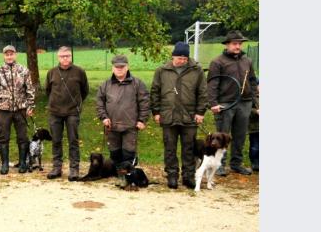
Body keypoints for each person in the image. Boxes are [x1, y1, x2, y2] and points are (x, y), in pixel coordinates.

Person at [150, 42, 208, 189]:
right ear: (173, 56)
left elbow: (203, 92)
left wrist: (200, 112)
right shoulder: (162, 71)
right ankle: (172, 176)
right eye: (179, 58)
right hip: (168, 116)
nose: (182, 61)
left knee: (188, 148)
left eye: (184, 58)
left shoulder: (197, 71)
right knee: (170, 148)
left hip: (189, 116)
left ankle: (188, 177)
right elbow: (155, 92)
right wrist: (156, 112)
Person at [207, 30, 259, 175]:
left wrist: (256, 103)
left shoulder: (247, 61)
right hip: (225, 103)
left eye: (240, 44)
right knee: (222, 136)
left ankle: (236, 163)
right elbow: (212, 84)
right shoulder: (218, 62)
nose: (238, 46)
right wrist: (213, 103)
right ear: (227, 45)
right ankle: (219, 165)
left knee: (240, 135)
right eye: (235, 44)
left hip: (245, 103)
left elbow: (253, 82)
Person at [96, 55, 150, 183]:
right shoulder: (105, 85)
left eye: (122, 67)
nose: (119, 69)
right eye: (117, 67)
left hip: (130, 126)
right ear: (112, 68)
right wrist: (103, 117)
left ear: (127, 67)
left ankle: (128, 178)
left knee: (128, 154)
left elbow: (145, 103)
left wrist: (142, 120)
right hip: (111, 126)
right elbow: (99, 103)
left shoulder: (137, 83)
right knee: (115, 154)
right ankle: (118, 176)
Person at [0, 45, 35, 174]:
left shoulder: (23, 70)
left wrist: (30, 106)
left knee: (22, 137)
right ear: (4, 56)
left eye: (11, 54)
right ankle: (4, 164)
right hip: (3, 109)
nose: (9, 56)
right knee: (3, 137)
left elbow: (30, 89)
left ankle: (23, 163)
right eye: (7, 54)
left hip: (21, 109)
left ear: (16, 55)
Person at [44, 46, 89, 181]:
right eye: (62, 56)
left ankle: (74, 169)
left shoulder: (79, 72)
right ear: (58, 57)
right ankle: (56, 167)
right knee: (56, 140)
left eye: (67, 56)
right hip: (55, 112)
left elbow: (84, 91)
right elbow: (47, 90)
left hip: (72, 112)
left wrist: (77, 105)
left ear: (71, 56)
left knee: (73, 141)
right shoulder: (52, 72)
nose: (65, 58)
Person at [249, 80, 259, 173]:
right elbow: (247, 110)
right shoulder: (253, 98)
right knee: (255, 147)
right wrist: (256, 111)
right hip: (255, 128)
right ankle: (255, 163)